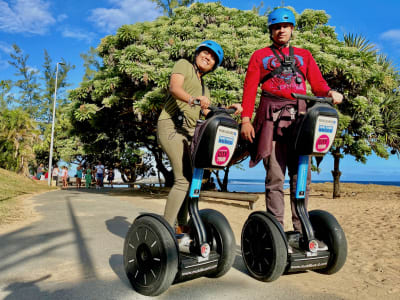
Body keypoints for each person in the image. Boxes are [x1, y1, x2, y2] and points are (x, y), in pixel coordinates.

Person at [240, 8, 343, 233]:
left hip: (300, 119)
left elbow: (318, 85)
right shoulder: (259, 55)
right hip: (270, 119)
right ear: (271, 31)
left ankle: (300, 230)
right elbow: (249, 89)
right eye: (276, 27)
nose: (281, 31)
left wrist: (330, 93)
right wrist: (246, 119)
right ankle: (276, 231)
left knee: (301, 176)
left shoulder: (304, 55)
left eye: (285, 26)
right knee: (275, 176)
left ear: (292, 29)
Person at [157, 40, 243, 236]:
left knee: (189, 179)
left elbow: (207, 112)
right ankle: (166, 230)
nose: (208, 57)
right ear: (197, 54)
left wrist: (230, 109)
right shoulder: (184, 65)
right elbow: (174, 88)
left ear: (213, 66)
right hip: (171, 126)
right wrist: (192, 99)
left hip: (188, 134)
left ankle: (182, 225)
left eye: (212, 58)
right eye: (205, 53)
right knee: (182, 181)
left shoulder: (205, 89)